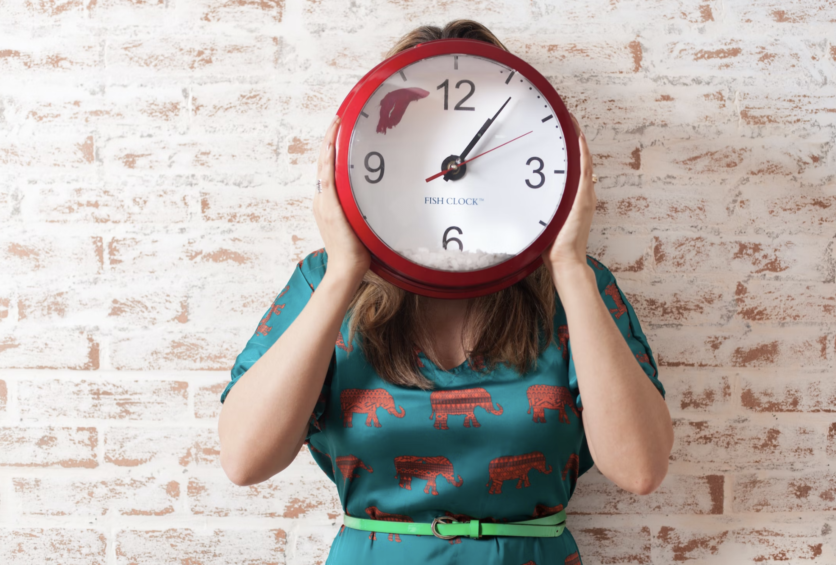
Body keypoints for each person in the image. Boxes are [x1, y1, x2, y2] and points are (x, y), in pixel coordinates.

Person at [218, 19, 674, 565]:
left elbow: (641, 468)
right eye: (422, 148)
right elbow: (244, 461)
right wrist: (346, 270)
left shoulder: (577, 284)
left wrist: (568, 261)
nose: (450, 166)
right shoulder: (323, 281)